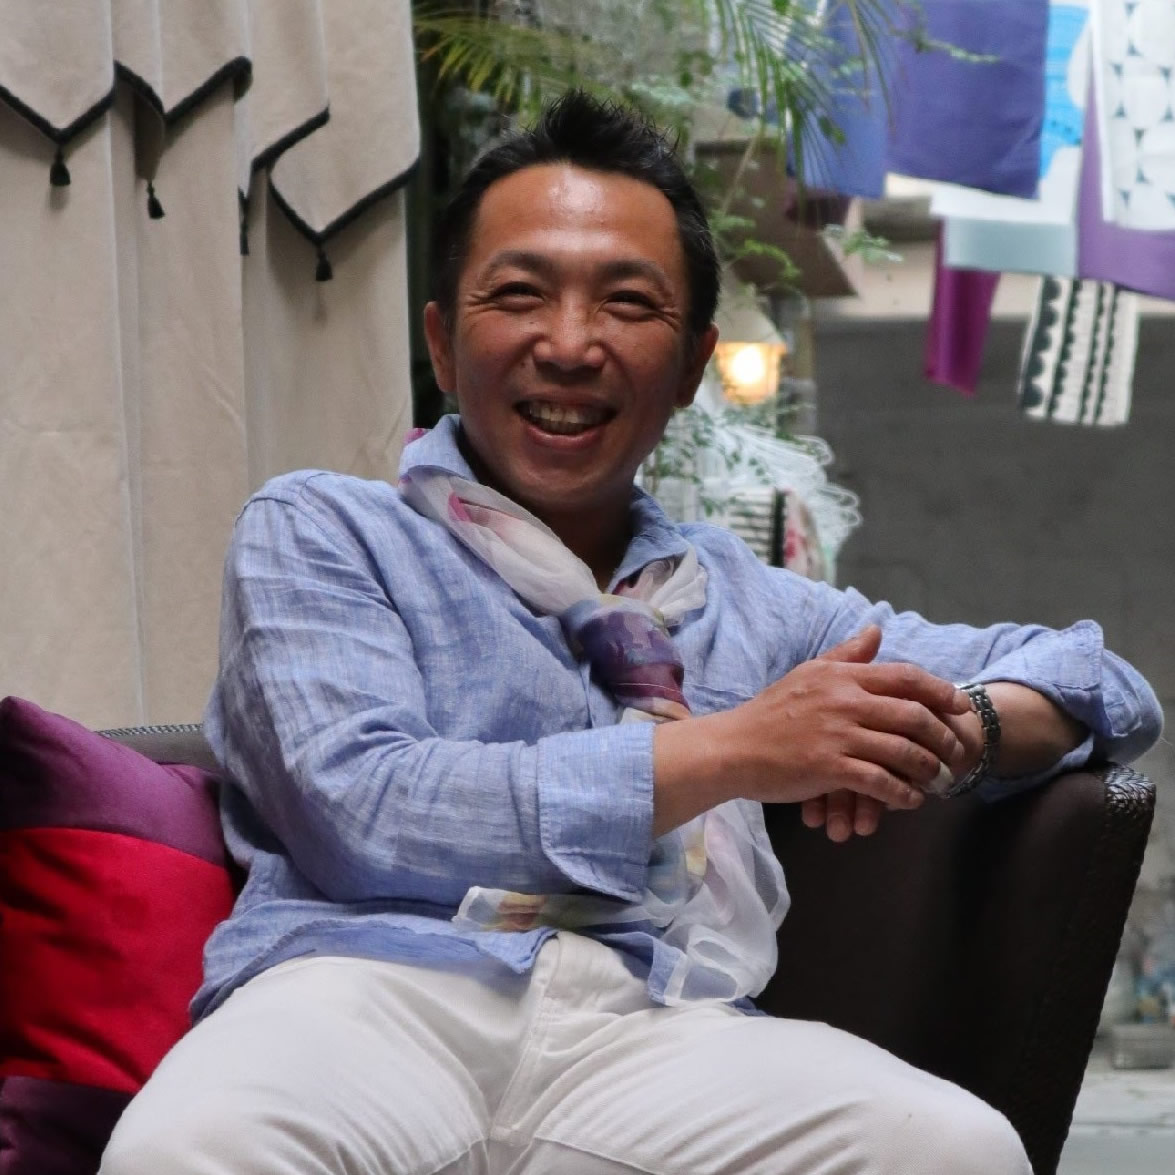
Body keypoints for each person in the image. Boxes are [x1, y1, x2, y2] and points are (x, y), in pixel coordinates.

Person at [101, 91, 1162, 1175]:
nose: (568, 344)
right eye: (519, 294)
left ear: (692, 364)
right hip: (360, 990)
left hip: (654, 1016)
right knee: (185, 1150)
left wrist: (956, 729)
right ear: (442, 341)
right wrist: (734, 749)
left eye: (625, 303)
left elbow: (1097, 680)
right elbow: (361, 808)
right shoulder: (325, 528)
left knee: (956, 1148)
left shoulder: (751, 602)